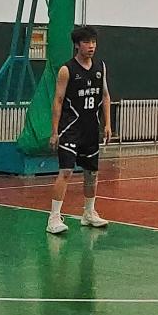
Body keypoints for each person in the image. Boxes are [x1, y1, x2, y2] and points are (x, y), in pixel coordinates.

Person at [47, 26, 112, 234]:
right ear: (77, 45)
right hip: (70, 128)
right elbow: (58, 100)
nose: (91, 46)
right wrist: (54, 131)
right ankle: (54, 217)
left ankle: (89, 212)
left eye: (94, 42)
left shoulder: (101, 67)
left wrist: (108, 124)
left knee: (91, 173)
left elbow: (105, 96)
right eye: (86, 42)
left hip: (91, 128)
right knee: (65, 171)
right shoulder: (67, 70)